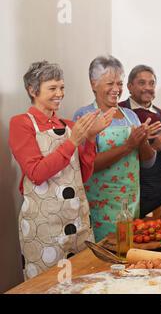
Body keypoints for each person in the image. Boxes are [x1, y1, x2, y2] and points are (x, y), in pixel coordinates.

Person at [9, 61, 115, 279]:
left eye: (62, 87)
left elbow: (82, 175)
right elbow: (36, 174)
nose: (59, 94)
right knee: (48, 285)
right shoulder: (22, 124)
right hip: (45, 227)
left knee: (85, 280)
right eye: (52, 88)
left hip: (78, 222)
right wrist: (74, 141)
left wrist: (91, 137)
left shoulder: (69, 125)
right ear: (32, 90)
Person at [73, 55, 161, 242]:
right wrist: (129, 145)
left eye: (119, 83)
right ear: (93, 84)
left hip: (130, 203)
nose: (116, 89)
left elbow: (148, 162)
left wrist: (143, 140)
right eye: (110, 84)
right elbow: (87, 164)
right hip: (100, 206)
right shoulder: (84, 116)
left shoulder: (131, 115)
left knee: (128, 256)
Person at [119, 65, 161, 217]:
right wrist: (150, 144)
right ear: (129, 87)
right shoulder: (118, 112)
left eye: (152, 83)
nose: (148, 87)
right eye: (142, 83)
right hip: (122, 191)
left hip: (153, 194)